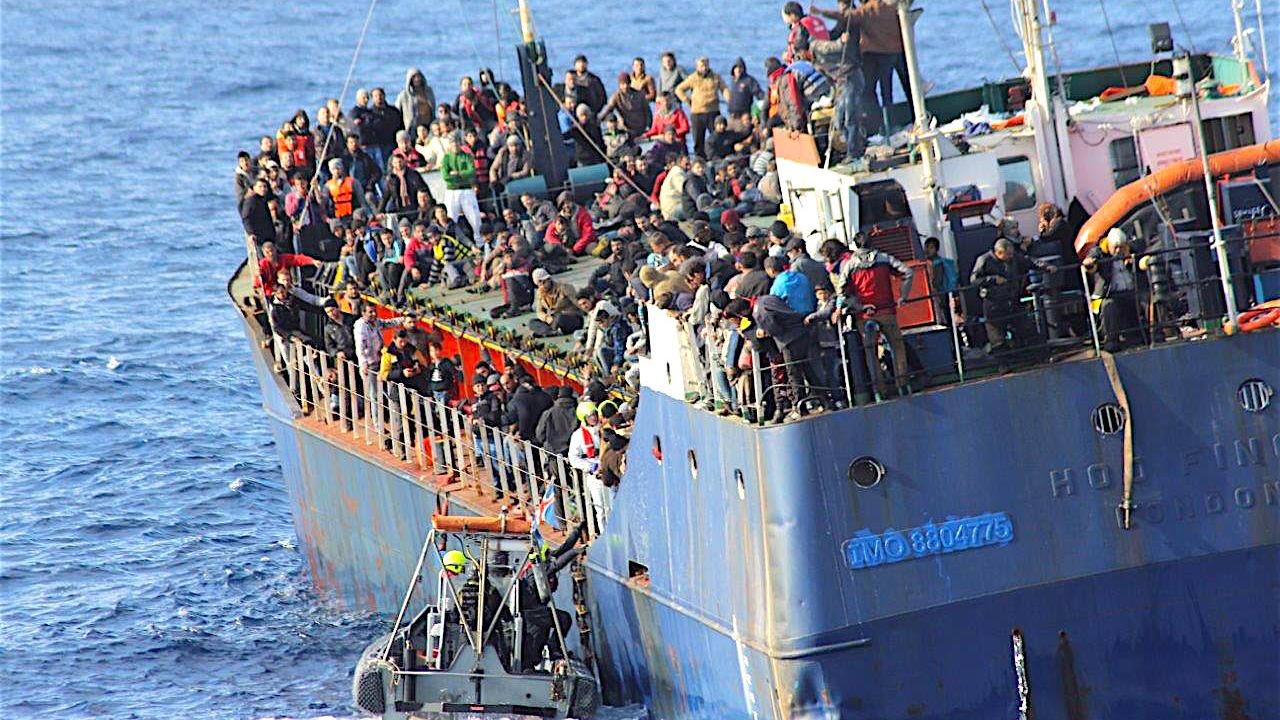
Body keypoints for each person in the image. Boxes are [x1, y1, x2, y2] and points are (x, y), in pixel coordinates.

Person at [825, 238, 914, 396]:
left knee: (870, 353)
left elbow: (841, 291)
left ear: (855, 245)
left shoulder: (850, 264)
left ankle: (879, 391)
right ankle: (903, 385)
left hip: (864, 315)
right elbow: (908, 272)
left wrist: (859, 306)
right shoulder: (885, 258)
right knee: (897, 347)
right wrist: (903, 296)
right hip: (887, 310)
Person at [834, 0, 913, 126]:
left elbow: (838, 33)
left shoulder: (859, 14)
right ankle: (890, 123)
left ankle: (885, 125)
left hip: (874, 57)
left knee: (878, 91)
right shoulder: (877, 9)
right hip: (889, 51)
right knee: (892, 89)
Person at [971, 238, 1046, 364]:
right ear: (999, 252)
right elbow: (974, 280)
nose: (1011, 257)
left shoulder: (1014, 258)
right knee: (997, 337)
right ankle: (1004, 365)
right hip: (993, 303)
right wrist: (993, 280)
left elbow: (1028, 261)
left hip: (1012, 299)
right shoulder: (984, 260)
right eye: (1008, 254)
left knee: (1026, 327)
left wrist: (1045, 266)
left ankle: (1039, 357)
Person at [810, 28, 866, 169]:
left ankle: (854, 153)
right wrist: (833, 95)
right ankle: (855, 146)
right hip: (841, 85)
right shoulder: (815, 63)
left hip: (851, 78)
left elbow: (831, 47)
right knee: (838, 121)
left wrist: (841, 41)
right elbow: (829, 79)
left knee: (850, 119)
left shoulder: (817, 46)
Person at [1084, 228, 1143, 352]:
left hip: (1129, 291)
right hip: (1106, 295)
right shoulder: (1099, 252)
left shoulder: (1129, 249)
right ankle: (1110, 340)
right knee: (1109, 306)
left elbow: (1140, 256)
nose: (1118, 251)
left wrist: (1137, 260)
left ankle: (1144, 334)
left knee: (1144, 299)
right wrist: (1089, 262)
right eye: (1115, 247)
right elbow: (1091, 260)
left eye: (1121, 247)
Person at [675, 57, 729, 159]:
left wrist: (729, 100)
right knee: (698, 140)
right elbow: (679, 89)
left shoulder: (716, 77)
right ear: (697, 67)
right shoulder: (693, 78)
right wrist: (687, 100)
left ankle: (716, 158)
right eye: (702, 66)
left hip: (713, 111)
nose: (704, 68)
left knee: (717, 138)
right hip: (697, 113)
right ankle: (699, 160)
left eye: (706, 65)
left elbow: (724, 89)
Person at [567, 401, 610, 523]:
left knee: (612, 507)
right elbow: (573, 458)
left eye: (594, 414)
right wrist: (590, 466)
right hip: (594, 475)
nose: (593, 417)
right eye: (590, 416)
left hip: (609, 470)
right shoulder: (578, 435)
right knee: (601, 509)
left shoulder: (605, 428)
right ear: (584, 418)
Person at [440, 136, 482, 239]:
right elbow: (445, 176)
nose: (455, 146)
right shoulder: (446, 158)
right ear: (449, 146)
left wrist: (458, 174)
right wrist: (462, 176)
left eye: (457, 144)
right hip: (451, 191)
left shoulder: (467, 156)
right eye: (452, 144)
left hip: (466, 189)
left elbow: (471, 172)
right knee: (451, 218)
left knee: (474, 217)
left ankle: (480, 241)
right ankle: (452, 241)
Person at [530, 268, 584, 337]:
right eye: (539, 283)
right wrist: (546, 318)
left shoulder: (564, 287)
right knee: (532, 322)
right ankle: (552, 332)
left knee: (560, 318)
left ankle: (545, 332)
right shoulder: (540, 293)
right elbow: (539, 312)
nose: (542, 285)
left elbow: (578, 303)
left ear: (549, 279)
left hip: (570, 317)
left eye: (544, 282)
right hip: (553, 320)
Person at [601, 72, 653, 139]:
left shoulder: (640, 95)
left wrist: (648, 127)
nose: (625, 86)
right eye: (623, 84)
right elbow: (607, 109)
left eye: (627, 83)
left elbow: (648, 112)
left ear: (630, 84)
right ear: (619, 85)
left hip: (641, 128)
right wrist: (599, 119)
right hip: (626, 130)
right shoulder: (616, 97)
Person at [366, 87, 404, 171]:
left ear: (384, 95)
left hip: (394, 143)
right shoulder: (369, 113)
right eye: (376, 96)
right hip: (379, 145)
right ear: (372, 98)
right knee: (383, 168)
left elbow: (401, 125)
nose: (379, 97)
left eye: (380, 95)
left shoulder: (393, 111)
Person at [535, 386, 579, 456]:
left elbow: (540, 434)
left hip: (552, 450)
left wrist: (546, 443)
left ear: (558, 396)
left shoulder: (549, 412)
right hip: (571, 450)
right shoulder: (577, 412)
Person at [322, 158, 368, 224]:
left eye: (338, 168)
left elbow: (362, 201)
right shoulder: (327, 186)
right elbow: (323, 202)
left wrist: (361, 211)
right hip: (338, 218)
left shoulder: (353, 182)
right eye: (334, 169)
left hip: (353, 215)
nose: (336, 171)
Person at [396, 68, 436, 134]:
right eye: (414, 77)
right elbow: (397, 112)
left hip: (429, 127)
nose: (417, 79)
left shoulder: (429, 91)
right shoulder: (404, 95)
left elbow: (433, 108)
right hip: (412, 129)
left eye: (418, 76)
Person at [241, 177, 279, 244]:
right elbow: (246, 218)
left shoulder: (264, 199)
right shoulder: (251, 201)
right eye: (260, 187)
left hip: (269, 236)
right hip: (258, 237)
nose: (263, 189)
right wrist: (251, 233)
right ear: (254, 188)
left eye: (265, 186)